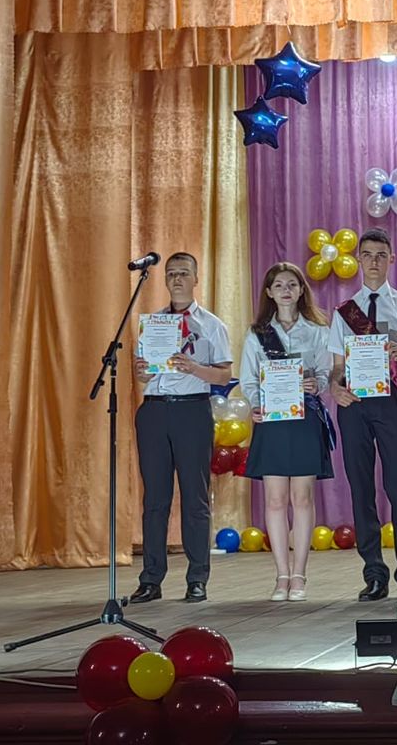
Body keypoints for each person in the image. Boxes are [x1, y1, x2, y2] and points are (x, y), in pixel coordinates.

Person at [327, 228, 397, 601]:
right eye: (367, 254)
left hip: (393, 402)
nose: (373, 261)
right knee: (361, 487)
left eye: (381, 255)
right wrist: (334, 387)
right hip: (354, 404)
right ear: (358, 260)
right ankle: (373, 573)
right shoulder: (343, 312)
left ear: (391, 260)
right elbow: (338, 367)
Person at [130, 253, 232, 604]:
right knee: (155, 499)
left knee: (195, 496)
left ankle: (197, 578)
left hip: (192, 410)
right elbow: (144, 375)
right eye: (171, 273)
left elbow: (224, 375)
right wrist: (142, 372)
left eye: (184, 273)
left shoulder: (211, 325)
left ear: (195, 279)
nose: (176, 279)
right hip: (155, 410)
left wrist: (195, 368)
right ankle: (151, 579)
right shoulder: (153, 323)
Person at [239, 262, 334, 602]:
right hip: (272, 421)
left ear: (301, 290)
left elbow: (327, 372)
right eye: (278, 285)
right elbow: (249, 379)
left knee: (302, 497)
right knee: (276, 499)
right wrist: (255, 404)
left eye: (292, 284)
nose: (286, 290)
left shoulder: (318, 330)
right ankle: (281, 575)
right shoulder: (257, 334)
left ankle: (299, 574)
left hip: (305, 419)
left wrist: (317, 383)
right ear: (269, 292)